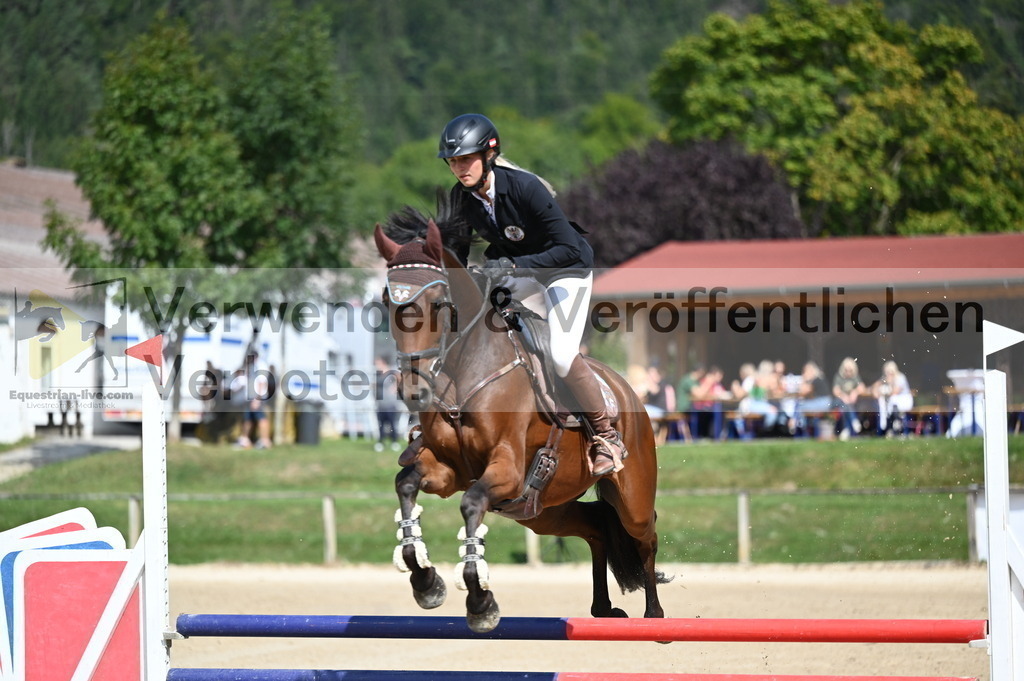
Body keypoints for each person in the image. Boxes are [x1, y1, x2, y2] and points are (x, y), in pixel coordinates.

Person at [437, 113, 624, 476]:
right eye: (453, 161)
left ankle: (606, 435)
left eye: (466, 159)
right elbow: (458, 254)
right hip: (521, 270)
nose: (459, 168)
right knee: (479, 315)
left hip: (565, 272)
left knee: (561, 353)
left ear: (489, 155)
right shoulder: (463, 198)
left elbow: (569, 248)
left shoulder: (525, 188)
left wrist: (512, 266)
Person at [871, 360, 914, 436]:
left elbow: (895, 391)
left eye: (890, 372)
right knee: (884, 405)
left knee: (892, 401)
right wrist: (876, 391)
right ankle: (887, 429)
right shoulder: (885, 378)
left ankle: (896, 428)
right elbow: (875, 386)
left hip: (904, 401)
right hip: (893, 404)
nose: (888, 374)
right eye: (887, 372)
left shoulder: (900, 377)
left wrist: (889, 383)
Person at [832, 357, 865, 440]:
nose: (848, 372)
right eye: (846, 370)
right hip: (839, 401)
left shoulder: (855, 377)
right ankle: (854, 420)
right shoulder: (838, 377)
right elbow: (835, 391)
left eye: (850, 370)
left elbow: (862, 388)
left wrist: (855, 392)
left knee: (846, 406)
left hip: (850, 403)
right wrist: (843, 396)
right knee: (845, 404)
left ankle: (846, 430)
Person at [795, 361, 832, 435]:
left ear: (811, 371)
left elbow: (803, 392)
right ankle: (801, 426)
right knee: (801, 406)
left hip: (822, 403)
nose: (804, 373)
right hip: (824, 402)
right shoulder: (819, 379)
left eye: (805, 371)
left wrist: (804, 379)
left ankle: (801, 429)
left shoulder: (816, 380)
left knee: (800, 406)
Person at [374, 356, 402, 452]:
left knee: (392, 424)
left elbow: (400, 379)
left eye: (377, 363)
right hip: (380, 404)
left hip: (390, 404)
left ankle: (394, 441)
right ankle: (381, 442)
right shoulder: (378, 375)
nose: (376, 366)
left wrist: (396, 388)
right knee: (381, 424)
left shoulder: (391, 373)